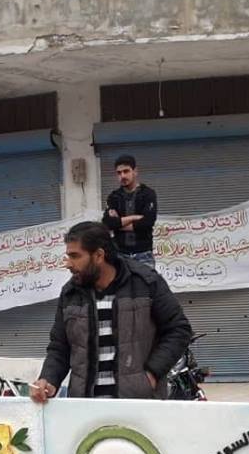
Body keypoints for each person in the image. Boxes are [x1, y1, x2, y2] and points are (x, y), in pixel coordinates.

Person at [30, 221, 191, 401]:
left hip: (137, 405)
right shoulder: (70, 294)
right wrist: (48, 379)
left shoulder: (146, 283)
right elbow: (59, 347)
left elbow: (179, 330)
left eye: (75, 256)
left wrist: (151, 374)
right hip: (85, 408)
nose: (68, 264)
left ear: (99, 255)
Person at [102, 155, 159, 267]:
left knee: (146, 279)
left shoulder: (147, 194)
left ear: (135, 171)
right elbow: (108, 223)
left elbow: (147, 222)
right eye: (119, 173)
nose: (122, 176)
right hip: (120, 254)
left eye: (126, 171)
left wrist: (119, 223)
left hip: (143, 254)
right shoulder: (114, 197)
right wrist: (133, 218)